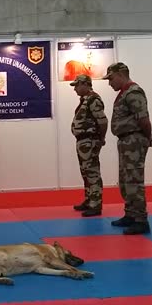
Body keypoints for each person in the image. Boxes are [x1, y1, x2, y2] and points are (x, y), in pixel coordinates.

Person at [102, 63, 152, 235]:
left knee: (134, 180)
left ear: (121, 74)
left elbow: (143, 118)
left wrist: (147, 136)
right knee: (125, 180)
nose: (110, 83)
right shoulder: (124, 93)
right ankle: (130, 214)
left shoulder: (133, 92)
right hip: (126, 140)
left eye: (111, 78)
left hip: (133, 141)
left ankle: (141, 219)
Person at [69, 74, 108, 216]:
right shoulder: (85, 100)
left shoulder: (93, 99)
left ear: (85, 84)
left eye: (77, 86)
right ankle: (89, 199)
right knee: (85, 172)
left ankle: (96, 204)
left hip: (89, 140)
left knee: (92, 172)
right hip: (83, 141)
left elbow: (103, 121)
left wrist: (101, 139)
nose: (75, 89)